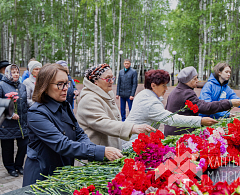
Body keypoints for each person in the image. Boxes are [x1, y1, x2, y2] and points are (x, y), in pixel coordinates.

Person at [23, 63, 123, 186]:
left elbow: (80, 134)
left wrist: (93, 151)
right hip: (42, 176)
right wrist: (100, 152)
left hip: (63, 172)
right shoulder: (36, 114)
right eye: (60, 84)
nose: (66, 88)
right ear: (44, 86)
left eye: (67, 83)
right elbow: (62, 144)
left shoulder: (65, 105)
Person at [124, 69, 218, 148]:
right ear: (153, 86)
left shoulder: (144, 94)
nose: (166, 89)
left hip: (131, 138)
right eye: (163, 85)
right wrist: (200, 121)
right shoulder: (151, 103)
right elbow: (170, 119)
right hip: (134, 143)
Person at [77, 64, 155, 150]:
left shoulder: (105, 94)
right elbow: (103, 123)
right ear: (95, 81)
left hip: (107, 152)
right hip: (95, 155)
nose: (111, 81)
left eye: (112, 78)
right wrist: (132, 128)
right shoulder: (89, 99)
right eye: (108, 78)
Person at [164, 66, 240, 136]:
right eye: (195, 78)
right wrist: (230, 103)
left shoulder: (178, 90)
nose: (197, 80)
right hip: (180, 132)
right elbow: (206, 107)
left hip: (173, 130)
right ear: (189, 80)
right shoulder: (187, 93)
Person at [0, 64, 28, 177]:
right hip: (7, 123)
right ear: (7, 73)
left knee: (24, 145)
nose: (16, 74)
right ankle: (10, 168)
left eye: (17, 72)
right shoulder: (1, 85)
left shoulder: (22, 86)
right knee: (8, 148)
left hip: (22, 122)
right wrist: (10, 114)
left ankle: (19, 166)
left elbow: (25, 103)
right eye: (13, 72)